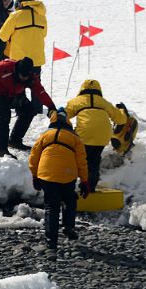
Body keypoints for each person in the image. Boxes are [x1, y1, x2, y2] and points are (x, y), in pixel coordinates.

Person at [28, 109, 90, 256]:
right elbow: (82, 161)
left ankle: (51, 244)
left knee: (51, 206)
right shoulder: (75, 138)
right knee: (70, 199)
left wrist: (35, 176)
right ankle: (68, 227)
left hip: (46, 174)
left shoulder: (44, 136)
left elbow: (33, 158)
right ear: (68, 121)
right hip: (67, 173)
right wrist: (85, 180)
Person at [0, 57, 55, 156]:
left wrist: (51, 106)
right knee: (4, 117)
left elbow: (40, 91)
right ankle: (1, 150)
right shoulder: (3, 67)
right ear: (17, 71)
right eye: (22, 76)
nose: (24, 78)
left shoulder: (31, 77)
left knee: (29, 110)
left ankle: (15, 140)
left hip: (16, 93)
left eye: (27, 76)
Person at [65, 79, 128, 191]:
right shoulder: (104, 102)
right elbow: (121, 119)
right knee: (94, 160)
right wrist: (122, 110)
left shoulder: (76, 102)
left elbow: (64, 116)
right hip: (103, 136)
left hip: (84, 135)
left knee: (81, 161)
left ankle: (75, 186)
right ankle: (91, 187)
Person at [0, 0, 47, 68]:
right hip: (37, 61)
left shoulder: (15, 15)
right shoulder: (41, 16)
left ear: (18, 4)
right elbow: (44, 34)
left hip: (19, 60)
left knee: (17, 79)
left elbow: (2, 36)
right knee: (34, 79)